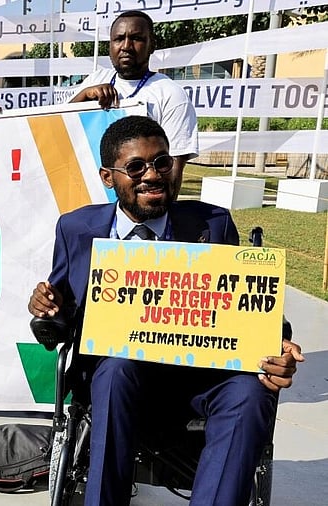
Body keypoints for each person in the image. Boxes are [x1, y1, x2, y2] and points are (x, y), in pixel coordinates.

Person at [28, 115, 303, 505]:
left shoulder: (213, 224)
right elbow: (61, 306)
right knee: (116, 369)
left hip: (198, 376)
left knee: (250, 390)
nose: (153, 175)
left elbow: (250, 305)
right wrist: (46, 306)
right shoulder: (76, 229)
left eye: (162, 162)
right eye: (136, 166)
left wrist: (279, 342)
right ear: (109, 177)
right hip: (119, 378)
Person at [68, 10, 197, 175]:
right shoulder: (95, 80)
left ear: (152, 45)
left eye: (136, 38)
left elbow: (173, 169)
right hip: (87, 188)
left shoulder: (171, 94)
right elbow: (58, 129)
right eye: (119, 39)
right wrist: (84, 95)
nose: (126, 46)